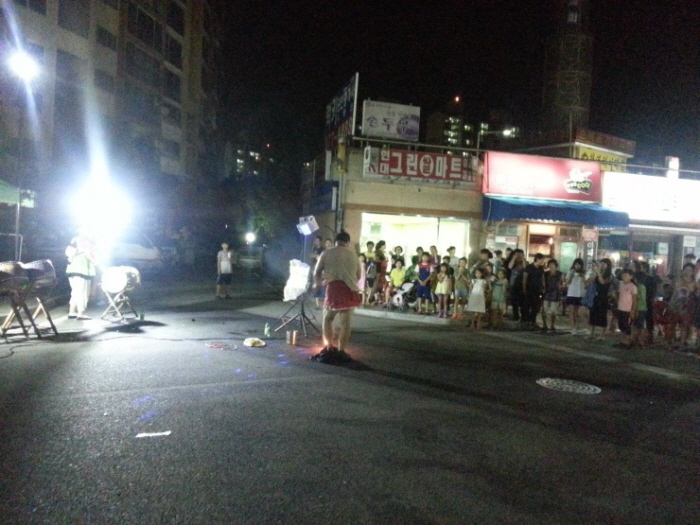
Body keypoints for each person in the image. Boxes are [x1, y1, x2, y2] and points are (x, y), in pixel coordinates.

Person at [312, 231, 361, 362]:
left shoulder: (327, 252)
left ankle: (329, 346)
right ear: (348, 242)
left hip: (334, 288)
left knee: (328, 318)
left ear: (335, 241)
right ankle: (341, 350)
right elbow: (358, 276)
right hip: (350, 290)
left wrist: (320, 283)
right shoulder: (354, 255)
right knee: (346, 323)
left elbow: (316, 272)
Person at [65, 234, 97, 320]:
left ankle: (72, 312)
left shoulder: (70, 249)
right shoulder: (86, 250)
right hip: (82, 273)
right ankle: (81, 313)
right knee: (82, 293)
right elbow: (93, 260)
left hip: (71, 273)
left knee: (75, 292)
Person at [669, 263, 697, 349]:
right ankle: (673, 341)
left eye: (690, 270)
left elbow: (695, 294)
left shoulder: (695, 283)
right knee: (673, 323)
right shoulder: (678, 280)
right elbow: (673, 291)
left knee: (684, 325)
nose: (687, 271)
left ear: (693, 272)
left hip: (687, 307)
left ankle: (682, 342)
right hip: (675, 305)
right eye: (686, 269)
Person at [587, 258, 613, 340]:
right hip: (595, 296)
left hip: (603, 297)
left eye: (604, 264)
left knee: (602, 315)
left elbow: (603, 282)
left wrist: (598, 272)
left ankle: (602, 335)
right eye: (601, 263)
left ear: (608, 266)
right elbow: (590, 281)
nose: (602, 265)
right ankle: (591, 333)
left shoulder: (609, 275)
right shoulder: (598, 273)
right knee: (592, 314)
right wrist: (591, 276)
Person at [614, 269, 638, 349]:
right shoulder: (621, 284)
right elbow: (619, 295)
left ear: (631, 277)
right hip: (620, 308)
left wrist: (633, 311)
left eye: (626, 276)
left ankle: (627, 342)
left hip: (627, 310)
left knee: (627, 326)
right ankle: (622, 341)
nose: (624, 277)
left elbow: (635, 300)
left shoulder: (633, 287)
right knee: (621, 326)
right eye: (623, 276)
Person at [522, 253, 546, 329]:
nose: (542, 261)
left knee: (536, 306)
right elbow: (525, 278)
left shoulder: (541, 268)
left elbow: (542, 278)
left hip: (537, 289)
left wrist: (543, 287)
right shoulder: (529, 267)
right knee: (527, 305)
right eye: (541, 259)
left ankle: (533, 320)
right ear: (537, 259)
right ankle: (526, 319)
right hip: (529, 288)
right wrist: (524, 288)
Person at [542, 259, 563, 333]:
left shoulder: (559, 274)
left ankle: (552, 325)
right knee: (545, 309)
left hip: (555, 293)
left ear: (556, 266)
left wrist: (560, 294)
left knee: (553, 311)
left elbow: (561, 284)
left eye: (553, 265)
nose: (551, 267)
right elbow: (543, 283)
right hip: (547, 292)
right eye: (550, 265)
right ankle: (544, 325)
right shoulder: (546, 274)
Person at [566, 258, 586, 334]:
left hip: (580, 294)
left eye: (579, 264)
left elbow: (586, 282)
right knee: (572, 312)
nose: (577, 266)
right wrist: (571, 275)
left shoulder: (584, 273)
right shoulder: (570, 272)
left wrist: (582, 276)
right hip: (571, 294)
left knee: (581, 312)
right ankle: (573, 328)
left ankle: (582, 327)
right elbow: (567, 282)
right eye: (576, 264)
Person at [507, 249, 526, 321]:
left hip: (522, 285)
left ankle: (523, 317)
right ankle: (516, 316)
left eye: (520, 255)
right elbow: (510, 266)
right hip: (513, 284)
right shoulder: (513, 263)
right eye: (517, 255)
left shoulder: (524, 263)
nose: (518, 257)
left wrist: (523, 258)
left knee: (522, 302)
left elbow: (526, 267)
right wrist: (514, 257)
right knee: (514, 302)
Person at [631, 270, 648, 348]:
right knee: (638, 325)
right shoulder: (642, 287)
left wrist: (635, 310)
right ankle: (638, 340)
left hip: (640, 308)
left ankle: (639, 341)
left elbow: (639, 299)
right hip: (642, 308)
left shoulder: (639, 287)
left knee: (639, 326)